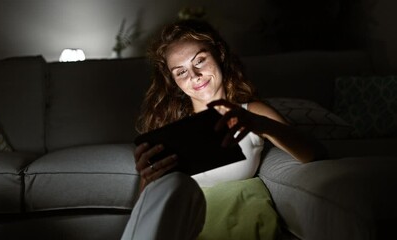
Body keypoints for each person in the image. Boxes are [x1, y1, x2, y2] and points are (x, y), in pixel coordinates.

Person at [121, 19, 327, 240]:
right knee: (175, 186)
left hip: (238, 225)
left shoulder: (250, 112)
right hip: (181, 228)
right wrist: (147, 180)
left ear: (218, 53)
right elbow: (146, 212)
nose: (194, 76)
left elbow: (315, 153)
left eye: (199, 60)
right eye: (180, 72)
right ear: (174, 82)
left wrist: (261, 124)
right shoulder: (170, 132)